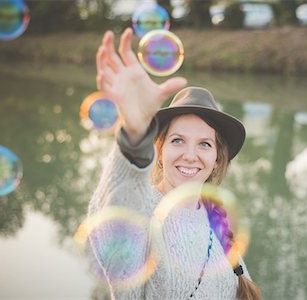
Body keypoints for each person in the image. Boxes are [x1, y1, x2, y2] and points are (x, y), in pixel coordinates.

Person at [87, 27, 262, 300]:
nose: (190, 155)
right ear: (160, 149)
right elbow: (114, 209)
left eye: (204, 144)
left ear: (216, 160)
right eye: (178, 140)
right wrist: (135, 133)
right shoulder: (141, 210)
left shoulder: (219, 223)